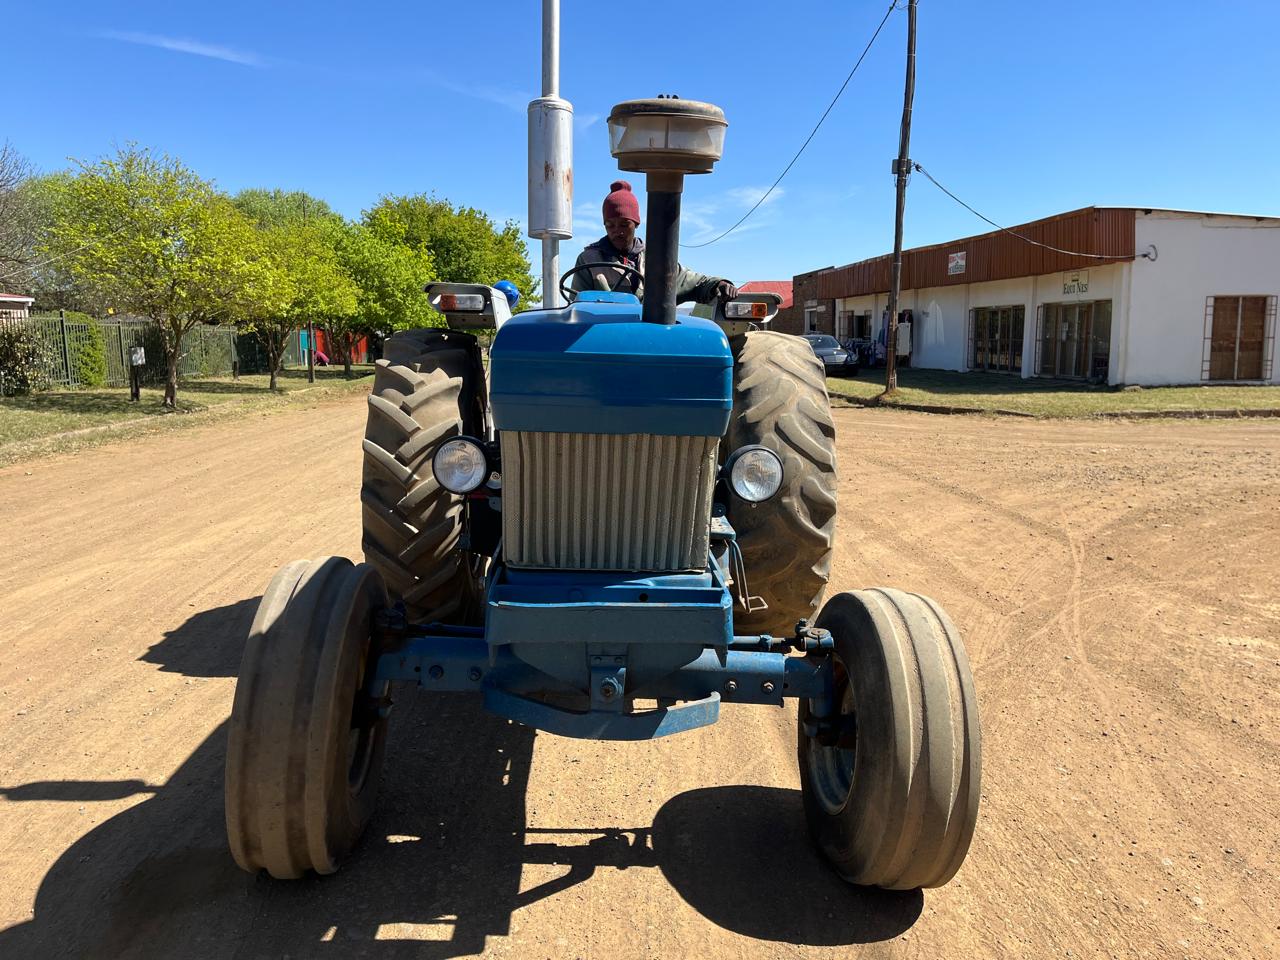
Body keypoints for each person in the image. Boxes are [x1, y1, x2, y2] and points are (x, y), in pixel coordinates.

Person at [570, 180, 738, 304]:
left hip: (648, 335)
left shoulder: (655, 259)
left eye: (624, 224)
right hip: (604, 337)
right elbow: (577, 307)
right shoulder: (589, 261)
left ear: (635, 223)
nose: (617, 231)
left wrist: (719, 284)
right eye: (610, 225)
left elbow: (693, 281)